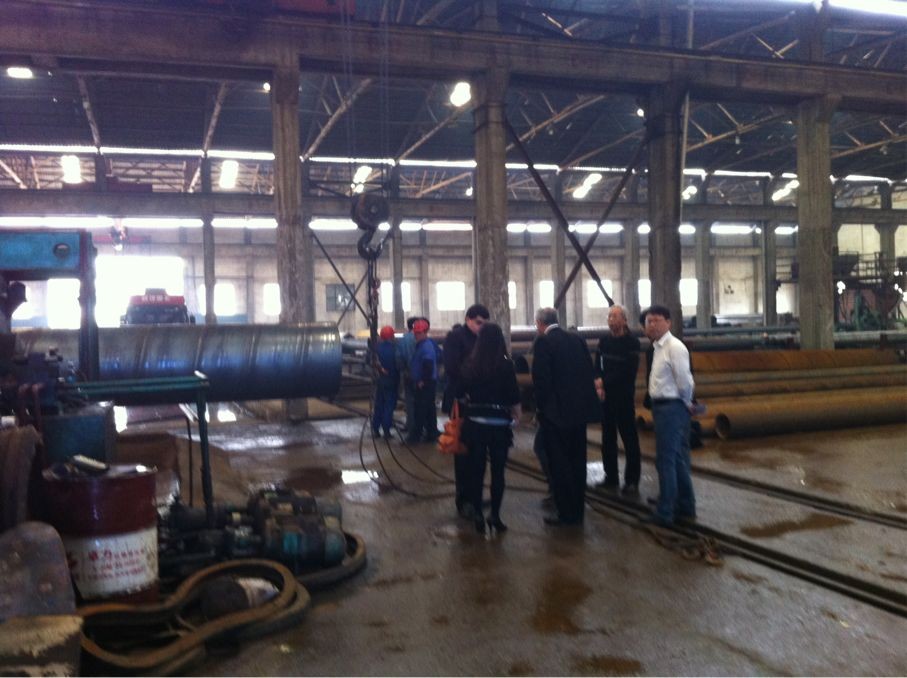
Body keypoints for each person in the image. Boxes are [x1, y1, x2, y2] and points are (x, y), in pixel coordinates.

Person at [531, 307, 599, 526]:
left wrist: (541, 410)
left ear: (539, 323)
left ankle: (565, 513)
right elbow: (588, 372)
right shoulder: (576, 339)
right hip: (579, 414)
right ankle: (577, 511)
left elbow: (541, 380)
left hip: (555, 415)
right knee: (578, 462)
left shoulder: (543, 342)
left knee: (559, 464)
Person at [457, 323, 521, 534]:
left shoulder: (470, 364)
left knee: (476, 471)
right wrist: (516, 415)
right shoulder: (506, 365)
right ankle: (495, 515)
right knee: (498, 473)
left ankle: (477, 514)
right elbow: (513, 396)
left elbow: (459, 392)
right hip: (499, 426)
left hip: (475, 424)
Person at [642, 305, 696, 527]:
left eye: (657, 320)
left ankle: (665, 512)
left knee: (666, 461)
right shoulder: (657, 348)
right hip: (663, 407)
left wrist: (686, 403)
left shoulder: (675, 347)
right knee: (677, 460)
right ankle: (686, 505)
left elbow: (685, 381)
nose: (652, 325)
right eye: (649, 321)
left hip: (671, 408)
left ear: (668, 323)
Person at [442, 303, 490, 517]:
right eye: (478, 323)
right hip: (461, 401)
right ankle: (464, 500)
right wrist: (469, 385)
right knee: (462, 451)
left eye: (484, 324)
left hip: (478, 401)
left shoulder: (482, 338)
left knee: (478, 452)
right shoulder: (455, 338)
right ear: (468, 319)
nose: (481, 327)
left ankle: (475, 495)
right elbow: (452, 368)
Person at [594, 305, 642, 497]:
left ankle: (632, 481)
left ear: (624, 320)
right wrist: (598, 383)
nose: (611, 320)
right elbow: (598, 365)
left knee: (629, 438)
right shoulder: (604, 341)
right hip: (606, 397)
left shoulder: (632, 343)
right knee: (607, 438)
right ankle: (611, 476)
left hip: (623, 397)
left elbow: (627, 372)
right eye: (609, 316)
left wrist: (603, 382)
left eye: (615, 316)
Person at [406, 319, 441, 443]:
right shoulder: (422, 344)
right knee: (429, 410)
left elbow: (428, 364)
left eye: (419, 333)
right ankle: (432, 433)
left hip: (425, 383)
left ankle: (415, 437)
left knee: (420, 410)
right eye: (415, 333)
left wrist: (423, 381)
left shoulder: (426, 346)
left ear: (425, 332)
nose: (416, 335)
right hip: (427, 382)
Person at [371, 325, 399, 440]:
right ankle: (386, 430)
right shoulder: (395, 349)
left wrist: (380, 369)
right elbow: (399, 364)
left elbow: (370, 361)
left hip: (380, 380)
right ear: (392, 336)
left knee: (379, 404)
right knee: (389, 405)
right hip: (392, 380)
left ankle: (375, 429)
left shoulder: (376, 348)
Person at [396, 316, 422, 433]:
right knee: (421, 401)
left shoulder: (403, 340)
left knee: (410, 401)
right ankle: (421, 426)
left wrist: (403, 370)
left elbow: (398, 358)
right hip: (421, 376)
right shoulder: (421, 338)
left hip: (408, 374)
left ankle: (411, 426)